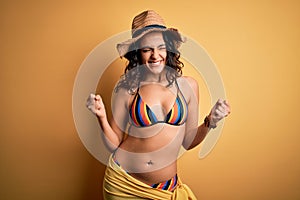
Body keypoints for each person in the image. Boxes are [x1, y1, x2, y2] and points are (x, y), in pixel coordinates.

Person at [86, 10, 231, 200]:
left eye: (161, 47)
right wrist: (101, 117)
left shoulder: (188, 86)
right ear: (137, 53)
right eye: (147, 49)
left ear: (168, 49)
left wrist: (210, 121)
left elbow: (188, 142)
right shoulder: (127, 88)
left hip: (165, 188)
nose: (155, 55)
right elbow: (113, 144)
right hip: (123, 183)